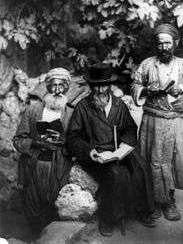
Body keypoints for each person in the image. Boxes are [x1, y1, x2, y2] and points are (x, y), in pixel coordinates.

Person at [66, 63, 155, 237]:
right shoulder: (83, 107)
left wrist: (123, 147)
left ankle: (144, 210)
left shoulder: (118, 104)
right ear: (91, 86)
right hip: (97, 154)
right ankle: (109, 218)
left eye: (104, 85)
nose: (100, 90)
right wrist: (89, 151)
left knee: (140, 166)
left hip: (117, 149)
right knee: (116, 174)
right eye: (97, 85)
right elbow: (73, 138)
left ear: (110, 85)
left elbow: (130, 128)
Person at [131, 23, 183, 221]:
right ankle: (151, 202)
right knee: (150, 159)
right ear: (156, 44)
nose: (164, 48)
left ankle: (169, 200)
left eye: (168, 43)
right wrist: (145, 91)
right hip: (152, 120)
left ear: (175, 43)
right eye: (160, 44)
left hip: (174, 120)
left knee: (170, 160)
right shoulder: (146, 64)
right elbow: (134, 85)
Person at [13, 68, 74, 231]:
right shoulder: (33, 110)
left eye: (61, 85)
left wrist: (62, 140)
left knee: (53, 208)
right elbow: (18, 140)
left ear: (67, 87)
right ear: (47, 87)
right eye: (53, 85)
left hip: (58, 165)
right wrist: (36, 142)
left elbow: (78, 144)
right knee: (32, 208)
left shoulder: (71, 114)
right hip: (33, 165)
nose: (57, 90)